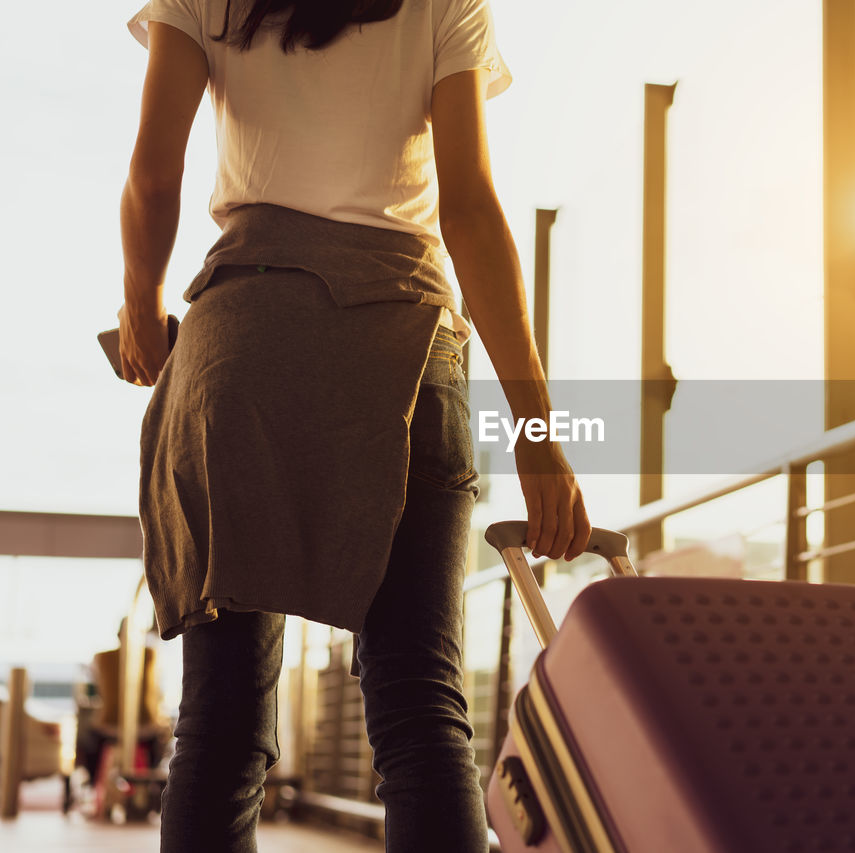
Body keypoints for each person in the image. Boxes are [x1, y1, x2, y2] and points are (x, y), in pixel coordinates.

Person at [116, 1, 590, 850]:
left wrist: (143, 306)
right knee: (421, 711)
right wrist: (538, 435)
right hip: (403, 345)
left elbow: (154, 177)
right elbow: (471, 211)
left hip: (244, 351)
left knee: (220, 724)